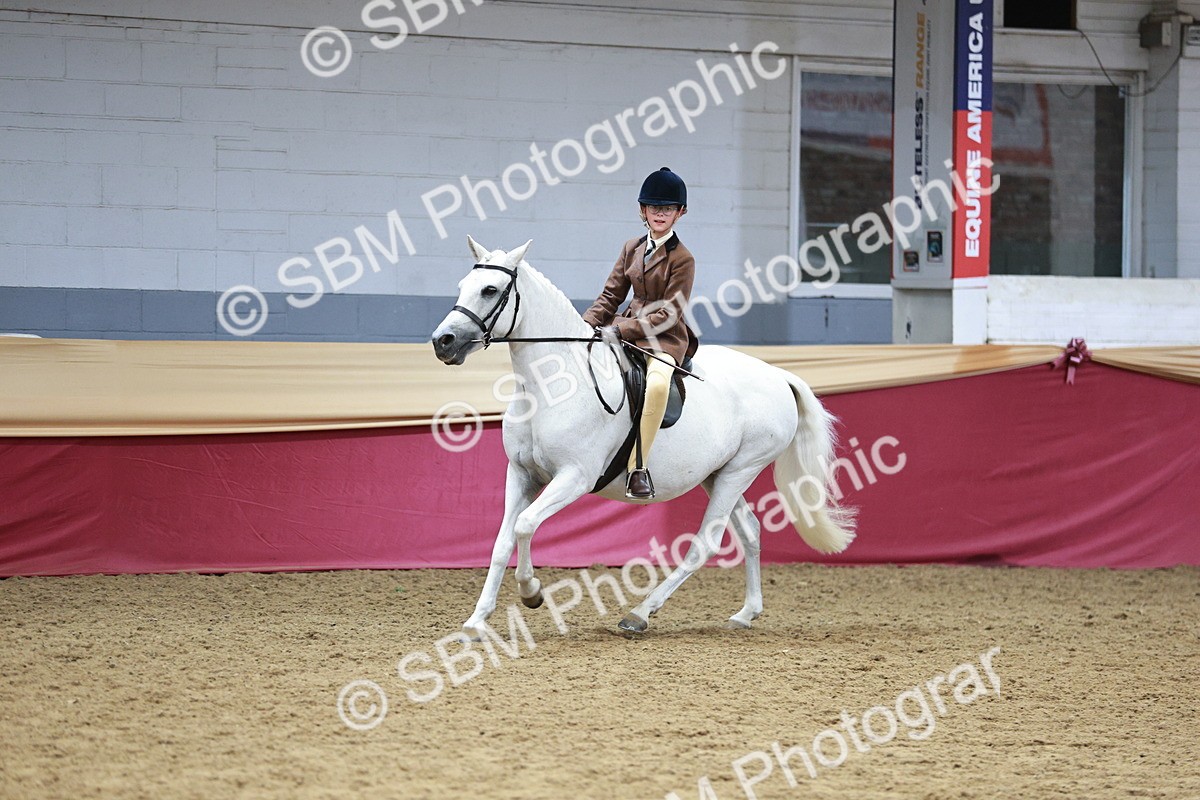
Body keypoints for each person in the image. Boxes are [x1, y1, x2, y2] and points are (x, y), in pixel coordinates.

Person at [582, 167, 700, 500]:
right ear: (642, 210)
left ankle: (638, 467)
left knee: (658, 384)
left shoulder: (683, 259)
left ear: (680, 213)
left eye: (667, 208)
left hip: (664, 337)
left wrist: (619, 328)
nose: (660, 213)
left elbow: (668, 314)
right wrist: (584, 327)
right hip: (626, 330)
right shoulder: (631, 248)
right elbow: (610, 297)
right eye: (653, 207)